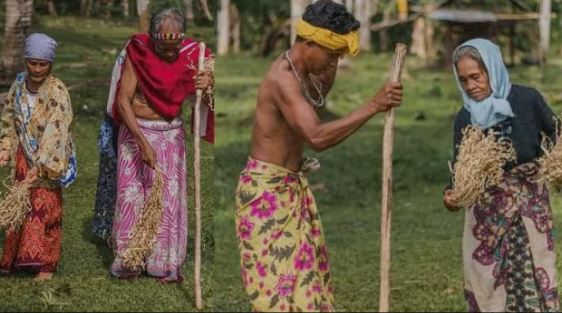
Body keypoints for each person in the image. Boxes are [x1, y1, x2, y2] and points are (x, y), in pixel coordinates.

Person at [234, 0, 402, 311]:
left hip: (291, 190)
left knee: (308, 290)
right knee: (279, 299)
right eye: (332, 53)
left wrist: (329, 66)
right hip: (266, 196)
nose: (334, 61)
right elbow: (317, 136)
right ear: (310, 42)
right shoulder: (282, 78)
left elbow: (317, 107)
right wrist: (374, 105)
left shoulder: (307, 72)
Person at [94, 8, 214, 283]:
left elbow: (208, 98)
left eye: (175, 47)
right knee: (132, 197)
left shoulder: (193, 55)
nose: (170, 53)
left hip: (170, 135)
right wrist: (141, 142)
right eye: (163, 47)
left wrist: (207, 84)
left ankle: (164, 262)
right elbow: (123, 101)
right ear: (153, 39)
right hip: (136, 133)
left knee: (169, 200)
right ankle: (130, 259)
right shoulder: (138, 52)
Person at [443, 38, 560, 312]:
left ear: (492, 68)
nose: (471, 86)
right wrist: (451, 195)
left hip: (529, 206)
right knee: (488, 278)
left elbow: (557, 132)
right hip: (487, 214)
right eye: (463, 80)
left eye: (476, 76)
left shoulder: (527, 99)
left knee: (531, 264)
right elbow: (460, 170)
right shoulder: (465, 118)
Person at [0, 33, 77, 281]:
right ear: (26, 61)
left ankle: (45, 266)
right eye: (32, 62)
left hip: (48, 161)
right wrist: (5, 145)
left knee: (46, 208)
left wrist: (41, 165)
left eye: (42, 64)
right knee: (21, 208)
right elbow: (9, 117)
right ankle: (14, 259)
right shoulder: (19, 84)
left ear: (50, 64)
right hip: (24, 156)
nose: (36, 68)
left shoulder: (58, 91)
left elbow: (58, 131)